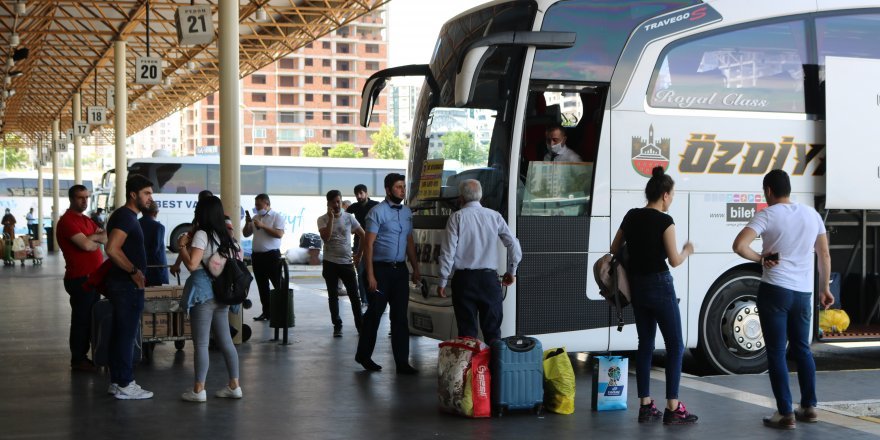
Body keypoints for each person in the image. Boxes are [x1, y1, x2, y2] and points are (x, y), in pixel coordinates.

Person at [732, 169, 834, 429]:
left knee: (777, 352)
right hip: (803, 293)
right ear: (789, 189)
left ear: (768, 191)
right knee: (802, 349)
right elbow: (824, 255)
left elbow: (739, 245)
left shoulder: (767, 214)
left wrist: (761, 258)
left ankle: (785, 413)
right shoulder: (812, 215)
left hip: (775, 290)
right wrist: (824, 289)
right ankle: (809, 407)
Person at [610, 166, 698, 425]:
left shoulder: (631, 216)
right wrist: (687, 251)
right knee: (675, 345)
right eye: (672, 195)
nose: (671, 199)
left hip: (637, 287)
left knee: (645, 344)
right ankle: (673, 407)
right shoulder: (665, 221)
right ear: (665, 195)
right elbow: (674, 260)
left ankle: (646, 406)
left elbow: (614, 248)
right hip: (659, 285)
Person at [437, 179, 521, 344]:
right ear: (480, 197)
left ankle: (471, 369)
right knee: (493, 333)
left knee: (467, 334)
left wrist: (442, 280)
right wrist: (512, 271)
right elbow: (514, 246)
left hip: (464, 281)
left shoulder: (456, 218)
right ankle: (495, 368)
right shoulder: (495, 216)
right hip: (489, 280)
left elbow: (448, 252)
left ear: (461, 198)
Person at [176, 196, 243, 402]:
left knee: (202, 344)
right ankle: (234, 385)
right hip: (222, 295)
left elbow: (193, 265)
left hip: (203, 295)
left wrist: (181, 247)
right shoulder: (227, 236)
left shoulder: (202, 235)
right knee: (226, 342)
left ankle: (198, 390)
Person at [355, 173, 421, 374]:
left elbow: (409, 242)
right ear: (388, 190)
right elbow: (368, 244)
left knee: (400, 317)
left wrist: (416, 268)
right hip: (380, 271)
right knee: (375, 314)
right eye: (398, 187)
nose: (402, 190)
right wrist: (371, 275)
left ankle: (402, 362)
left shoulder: (407, 212)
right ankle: (364, 356)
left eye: (403, 187)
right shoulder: (377, 212)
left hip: (400, 271)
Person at [104, 174, 154, 400]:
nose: (150, 198)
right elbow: (112, 248)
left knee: (120, 334)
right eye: (146, 193)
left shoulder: (125, 216)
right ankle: (125, 383)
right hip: (126, 286)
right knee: (126, 335)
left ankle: (117, 381)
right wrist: (134, 272)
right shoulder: (127, 217)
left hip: (121, 285)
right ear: (133, 194)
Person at [56, 185, 107, 372]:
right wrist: (93, 239)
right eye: (80, 197)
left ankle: (87, 355)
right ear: (71, 199)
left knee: (92, 317)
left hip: (93, 278)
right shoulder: (67, 221)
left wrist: (91, 239)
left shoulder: (86, 220)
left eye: (86, 197)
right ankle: (78, 358)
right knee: (82, 319)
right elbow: (86, 246)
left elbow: (106, 238)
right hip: (80, 278)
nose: (84, 201)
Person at [318, 190, 365, 337]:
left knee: (354, 296)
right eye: (333, 202)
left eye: (338, 201)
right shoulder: (322, 219)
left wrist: (358, 255)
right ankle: (337, 325)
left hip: (346, 263)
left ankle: (360, 326)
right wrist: (331, 219)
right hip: (330, 263)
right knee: (333, 296)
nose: (337, 205)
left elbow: (363, 235)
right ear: (328, 204)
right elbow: (326, 238)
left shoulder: (349, 217)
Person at [243, 193, 285, 321]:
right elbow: (246, 234)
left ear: (267, 204)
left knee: (278, 284)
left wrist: (263, 226)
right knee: (262, 286)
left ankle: (282, 312)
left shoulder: (277, 217)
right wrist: (248, 223)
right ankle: (266, 312)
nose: (256, 208)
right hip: (257, 256)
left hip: (272, 256)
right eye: (255, 205)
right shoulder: (256, 217)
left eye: (259, 205)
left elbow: (279, 234)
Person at [346, 184, 379, 308]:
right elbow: (344, 219)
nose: (359, 196)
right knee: (360, 271)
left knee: (375, 271)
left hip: (375, 242)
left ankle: (376, 299)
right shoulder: (353, 207)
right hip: (359, 242)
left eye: (361, 193)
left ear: (366, 193)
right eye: (357, 194)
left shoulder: (376, 205)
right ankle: (364, 300)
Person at [171, 190, 214, 277]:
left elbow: (186, 245)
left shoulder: (199, 224)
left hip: (202, 274)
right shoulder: (219, 222)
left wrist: (177, 263)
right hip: (215, 273)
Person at [139, 202, 169, 287]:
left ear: (142, 212)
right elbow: (155, 249)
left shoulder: (136, 224)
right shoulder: (159, 227)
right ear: (155, 212)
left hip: (138, 267)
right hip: (154, 269)